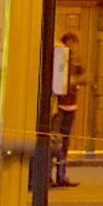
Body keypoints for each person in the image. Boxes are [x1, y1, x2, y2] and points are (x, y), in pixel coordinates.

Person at [46, 30, 81, 187]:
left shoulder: (74, 61)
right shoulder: (57, 60)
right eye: (71, 45)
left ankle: (62, 175)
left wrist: (77, 80)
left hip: (71, 106)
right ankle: (47, 175)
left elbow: (84, 77)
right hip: (57, 108)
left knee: (65, 143)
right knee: (53, 142)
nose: (73, 48)